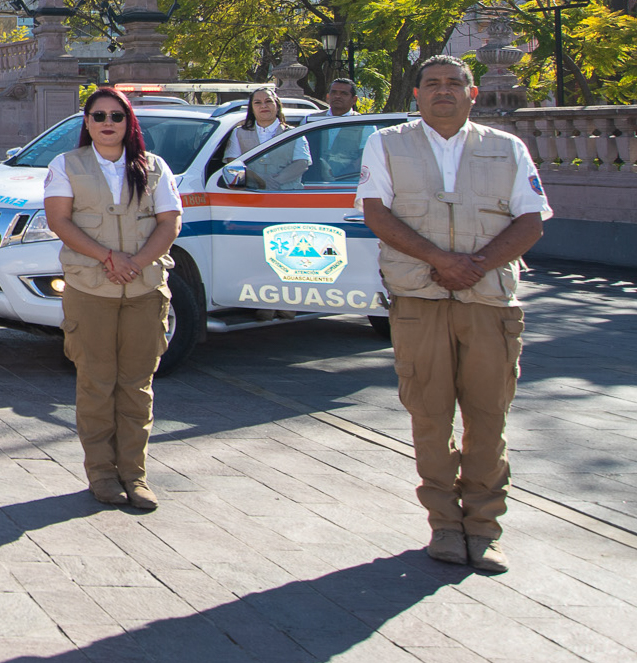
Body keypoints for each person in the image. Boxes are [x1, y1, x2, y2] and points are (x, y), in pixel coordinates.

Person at [358, 54, 547, 574]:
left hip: (488, 300)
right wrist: (442, 261)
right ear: (416, 94)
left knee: (488, 416)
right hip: (419, 298)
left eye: (454, 84)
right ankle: (444, 523)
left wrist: (476, 265)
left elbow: (531, 221)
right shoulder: (388, 143)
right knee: (429, 414)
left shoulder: (506, 148)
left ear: (473, 93)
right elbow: (376, 212)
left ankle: (484, 528)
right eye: (433, 84)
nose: (444, 91)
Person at [43, 88, 182, 512]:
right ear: (86, 122)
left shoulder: (153, 167)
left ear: (128, 122)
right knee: (96, 385)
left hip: (143, 289)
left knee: (137, 387)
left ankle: (134, 475)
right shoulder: (66, 165)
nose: (108, 123)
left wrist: (135, 262)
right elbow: (58, 220)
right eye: (98, 115)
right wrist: (108, 257)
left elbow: (169, 222)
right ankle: (102, 475)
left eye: (116, 116)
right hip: (91, 290)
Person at [226, 86, 311, 187]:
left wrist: (275, 181)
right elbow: (233, 164)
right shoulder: (238, 133)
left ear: (277, 106)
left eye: (268, 101)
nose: (263, 106)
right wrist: (258, 180)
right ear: (252, 109)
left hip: (288, 195)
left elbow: (301, 164)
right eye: (257, 103)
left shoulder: (294, 133)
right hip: (251, 195)